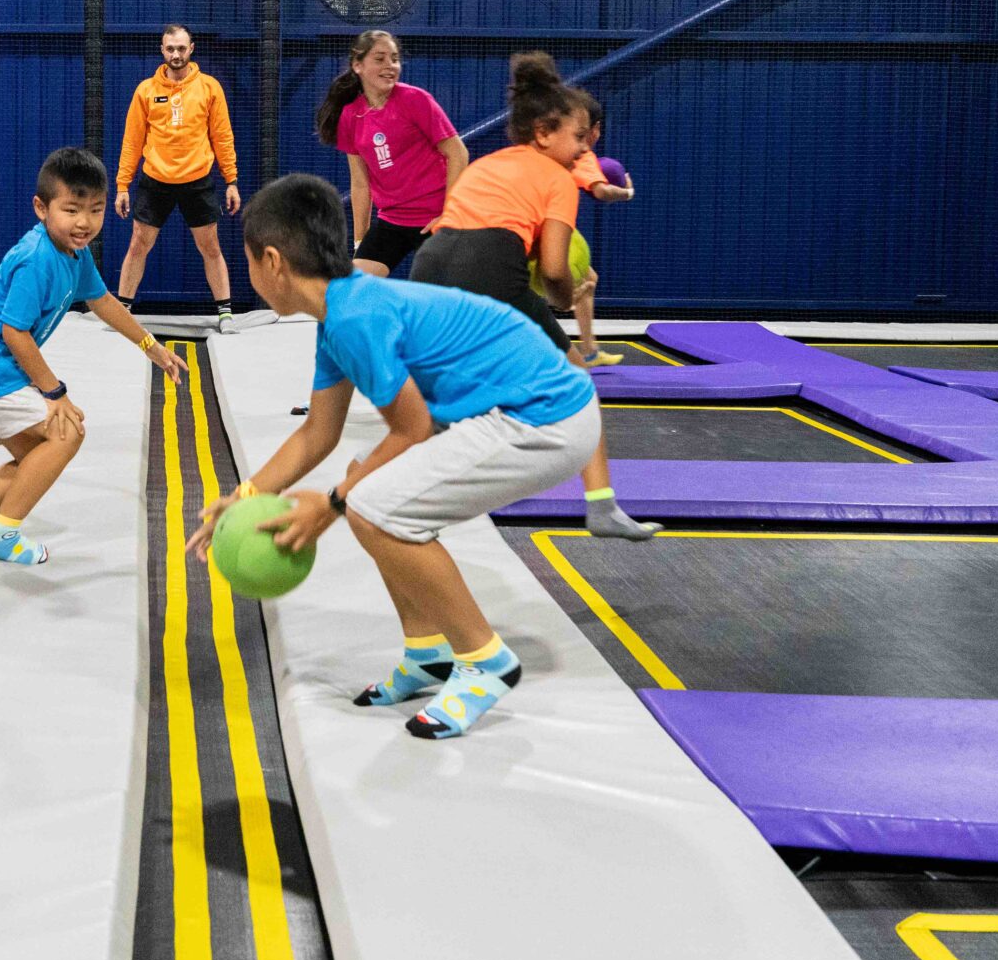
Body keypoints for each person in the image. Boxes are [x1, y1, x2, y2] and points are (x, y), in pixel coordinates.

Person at [191, 173, 601, 740]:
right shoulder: (341, 310)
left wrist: (330, 505)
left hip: (545, 417)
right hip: (526, 406)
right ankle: (427, 653)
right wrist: (247, 495)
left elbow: (412, 428)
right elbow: (318, 432)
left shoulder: (355, 317)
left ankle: (484, 660)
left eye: (248, 261)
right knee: (364, 478)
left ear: (273, 261)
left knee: (374, 504)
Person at [414, 55, 659, 542]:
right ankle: (602, 504)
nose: (585, 149)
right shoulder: (557, 179)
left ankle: (403, 484)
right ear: (544, 133)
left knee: (448, 389)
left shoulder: (489, 163)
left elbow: (467, 222)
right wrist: (565, 299)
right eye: (579, 137)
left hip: (431, 263)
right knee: (578, 381)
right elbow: (552, 268)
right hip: (487, 267)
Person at [0, 147, 186, 565]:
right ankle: (3, 535)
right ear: (41, 208)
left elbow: (102, 301)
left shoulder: (75, 253)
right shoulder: (37, 259)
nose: (84, 222)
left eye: (96, 210)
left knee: (35, 459)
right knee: (67, 433)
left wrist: (151, 347)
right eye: (71, 210)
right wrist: (55, 393)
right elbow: (14, 333)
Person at [113, 25, 242, 327]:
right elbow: (132, 141)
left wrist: (231, 181)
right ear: (162, 50)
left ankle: (225, 313)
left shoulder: (210, 88)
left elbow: (223, 137)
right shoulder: (146, 90)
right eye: (170, 48)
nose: (176, 54)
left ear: (191, 49)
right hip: (155, 181)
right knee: (138, 245)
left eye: (181, 48)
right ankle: (122, 313)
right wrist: (122, 185)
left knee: (210, 247)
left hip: (197, 181)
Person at [315, 28, 467, 278]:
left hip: (435, 218)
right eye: (380, 58)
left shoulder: (416, 99)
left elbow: (458, 153)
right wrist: (360, 242)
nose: (390, 65)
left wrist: (449, 215)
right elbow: (360, 184)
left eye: (395, 59)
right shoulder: (350, 116)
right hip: (392, 221)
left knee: (435, 292)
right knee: (355, 288)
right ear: (357, 65)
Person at [563, 94, 634, 370]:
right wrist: (627, 192)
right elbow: (603, 191)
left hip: (534, 225)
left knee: (588, 278)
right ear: (596, 130)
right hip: (544, 228)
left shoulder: (545, 149)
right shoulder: (583, 155)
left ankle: (590, 351)